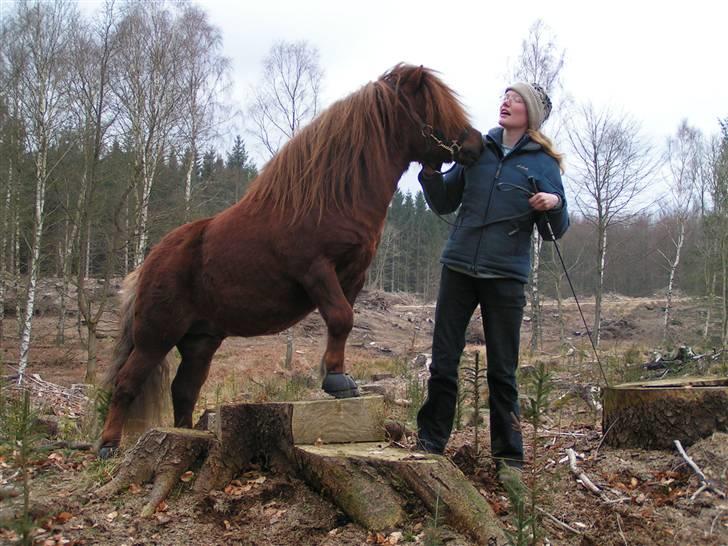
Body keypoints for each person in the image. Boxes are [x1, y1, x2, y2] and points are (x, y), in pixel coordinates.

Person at [415, 82, 569, 478]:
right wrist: (431, 172)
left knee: (503, 370)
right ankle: (431, 443)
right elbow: (445, 201)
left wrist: (553, 204)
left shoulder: (543, 164)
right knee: (444, 361)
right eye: (505, 96)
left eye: (516, 99)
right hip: (459, 267)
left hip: (506, 277)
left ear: (530, 114)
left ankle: (509, 459)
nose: (507, 102)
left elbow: (555, 230)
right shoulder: (478, 150)